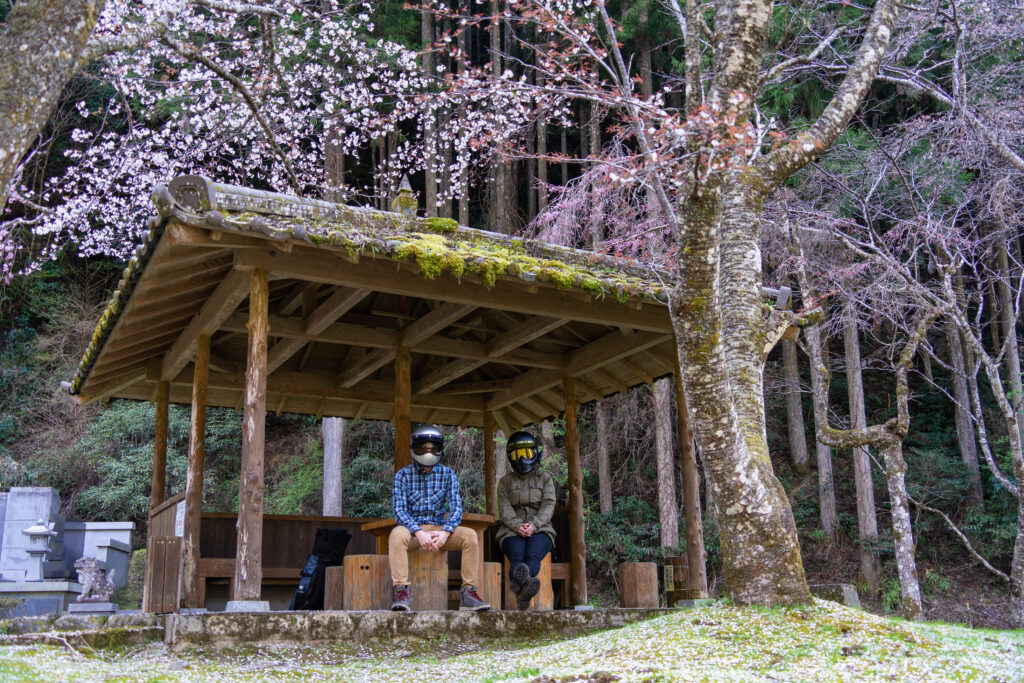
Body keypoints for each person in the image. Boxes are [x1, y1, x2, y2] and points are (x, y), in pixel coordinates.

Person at [389, 424, 490, 612]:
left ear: (439, 449)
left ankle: (468, 592)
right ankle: (401, 591)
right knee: (396, 535)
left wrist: (445, 532)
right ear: (415, 449)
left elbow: (456, 508)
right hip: (413, 531)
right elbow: (399, 511)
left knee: (470, 536)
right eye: (423, 448)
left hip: (439, 530)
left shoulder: (448, 474)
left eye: (433, 448)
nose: (428, 451)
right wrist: (418, 533)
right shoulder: (402, 475)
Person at [496, 430, 556, 610]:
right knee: (517, 556)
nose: (522, 459)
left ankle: (519, 587)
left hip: (542, 529)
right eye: (517, 454)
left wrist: (535, 524)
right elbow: (504, 509)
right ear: (510, 457)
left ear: (535, 454)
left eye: (526, 454)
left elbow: (548, 505)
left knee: (533, 555)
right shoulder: (505, 482)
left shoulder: (545, 478)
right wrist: (518, 526)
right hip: (511, 530)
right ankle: (525, 588)